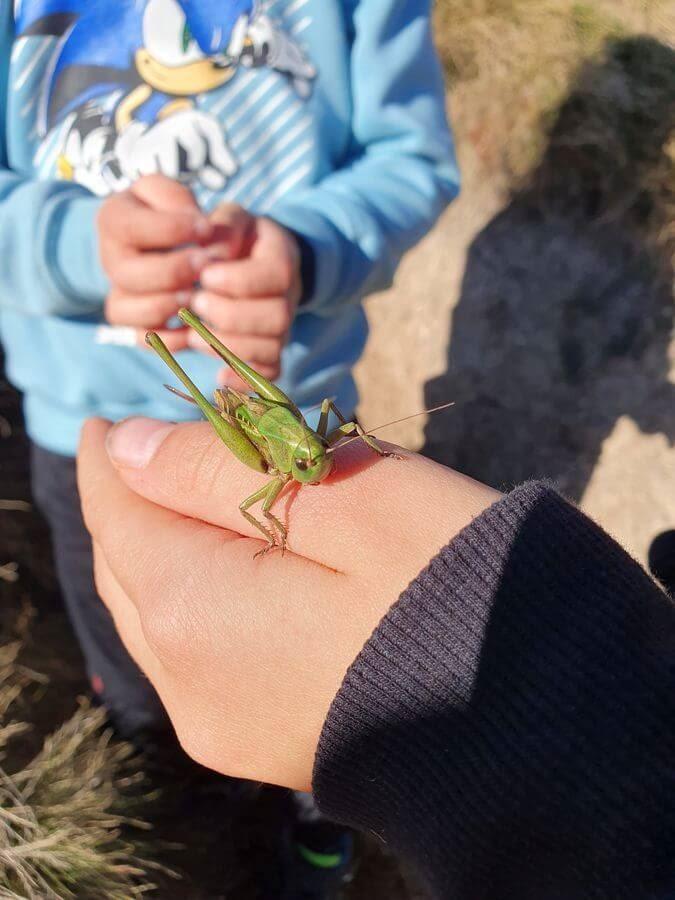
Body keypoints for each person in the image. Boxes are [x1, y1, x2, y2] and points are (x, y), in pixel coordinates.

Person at [0, 1, 457, 891]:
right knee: (129, 656)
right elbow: (265, 486)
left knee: (328, 685)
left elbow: (415, 160)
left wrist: (306, 249)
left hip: (294, 379)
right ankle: (169, 793)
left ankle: (315, 832)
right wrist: (66, 244)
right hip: (86, 425)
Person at [78, 415, 675, 900]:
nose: (317, 469)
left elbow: (329, 427)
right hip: (249, 436)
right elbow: (253, 504)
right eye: (310, 464)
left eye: (317, 458)